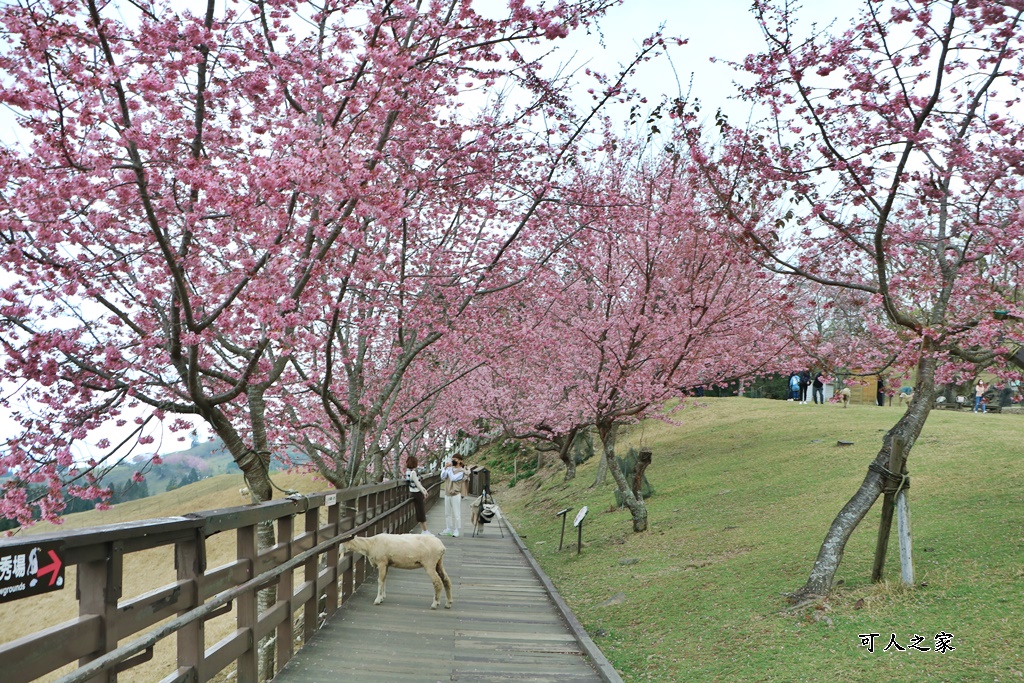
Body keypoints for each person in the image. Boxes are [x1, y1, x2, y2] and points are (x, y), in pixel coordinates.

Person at [440, 456, 468, 537]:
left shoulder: (462, 471)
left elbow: (453, 478)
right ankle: (448, 528)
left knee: (456, 512)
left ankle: (456, 530)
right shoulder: (449, 469)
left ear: (460, 461)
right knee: (447, 513)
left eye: (455, 460)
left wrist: (449, 470)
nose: (453, 461)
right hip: (447, 492)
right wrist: (445, 468)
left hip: (455, 493)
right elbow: (443, 476)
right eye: (453, 459)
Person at [404, 455, 432, 534]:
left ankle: (424, 530)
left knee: (419, 511)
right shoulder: (413, 472)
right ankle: (425, 530)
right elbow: (417, 484)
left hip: (413, 492)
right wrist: (424, 492)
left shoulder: (408, 472)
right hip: (417, 493)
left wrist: (424, 490)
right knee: (421, 511)